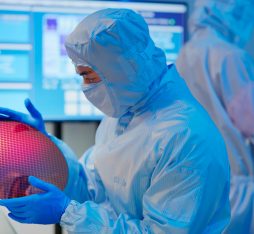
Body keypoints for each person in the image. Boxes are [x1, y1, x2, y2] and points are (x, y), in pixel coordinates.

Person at [0, 8, 230, 233]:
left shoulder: (185, 137)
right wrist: (46, 150)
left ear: (120, 69)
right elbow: (93, 190)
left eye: (87, 75)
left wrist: (67, 213)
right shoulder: (125, 113)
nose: (86, 87)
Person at [176, 0, 254, 233]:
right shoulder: (230, 56)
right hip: (235, 189)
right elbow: (250, 122)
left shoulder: (184, 54)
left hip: (197, 187)